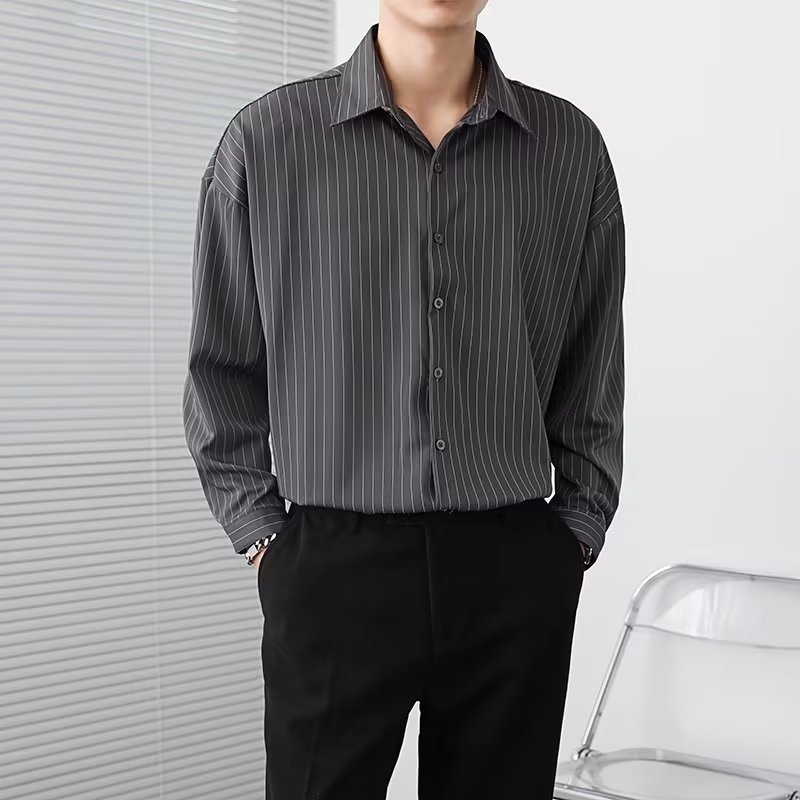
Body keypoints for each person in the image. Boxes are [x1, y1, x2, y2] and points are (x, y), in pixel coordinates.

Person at [182, 1, 625, 797]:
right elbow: (221, 369)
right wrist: (264, 539)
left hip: (514, 571)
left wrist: (574, 537)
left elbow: (592, 367)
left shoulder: (569, 149)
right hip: (333, 571)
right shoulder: (267, 140)